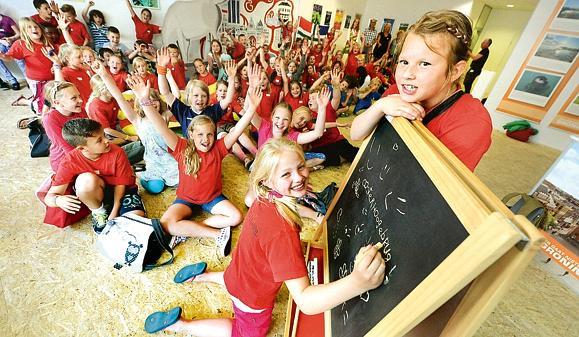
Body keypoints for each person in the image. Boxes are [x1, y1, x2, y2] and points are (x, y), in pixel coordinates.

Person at [143, 138, 385, 336]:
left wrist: (308, 214)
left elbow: (273, 227)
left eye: (300, 167)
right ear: (267, 181)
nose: (299, 177)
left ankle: (201, 276)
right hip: (250, 294)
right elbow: (306, 301)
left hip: (238, 273)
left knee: (234, 282)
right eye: (286, 174)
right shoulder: (281, 231)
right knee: (245, 334)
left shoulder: (264, 195)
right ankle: (181, 325)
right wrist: (358, 282)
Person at [129, 74, 262, 257]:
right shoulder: (181, 147)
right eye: (200, 135)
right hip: (186, 199)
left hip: (212, 198)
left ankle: (189, 230)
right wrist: (144, 101)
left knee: (236, 217)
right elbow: (161, 126)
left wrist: (252, 108)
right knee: (167, 223)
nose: (205, 140)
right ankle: (216, 234)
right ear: (190, 134)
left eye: (209, 135)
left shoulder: (219, 148)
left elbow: (239, 128)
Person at [351, 10, 492, 172]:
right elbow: (356, 134)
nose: (407, 74)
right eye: (404, 61)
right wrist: (379, 106)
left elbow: (432, 186)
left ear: (455, 71)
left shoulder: (471, 122)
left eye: (424, 64)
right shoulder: (396, 92)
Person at [43, 118, 145, 233]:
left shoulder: (117, 152)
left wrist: (114, 213)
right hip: (96, 194)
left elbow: (121, 185)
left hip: (123, 192)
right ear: (82, 148)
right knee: (86, 180)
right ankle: (99, 212)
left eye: (104, 135)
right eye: (99, 140)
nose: (107, 141)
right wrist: (58, 200)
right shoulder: (69, 161)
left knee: (136, 220)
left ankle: (112, 209)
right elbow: (49, 198)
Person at [91, 60, 177, 194]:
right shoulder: (137, 120)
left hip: (168, 160)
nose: (152, 103)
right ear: (141, 103)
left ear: (160, 103)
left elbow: (174, 97)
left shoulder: (164, 116)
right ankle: (143, 176)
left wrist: (168, 75)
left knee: (183, 180)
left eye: (155, 100)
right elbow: (119, 97)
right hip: (153, 162)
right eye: (148, 100)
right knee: (157, 188)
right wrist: (104, 74)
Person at [157, 47, 236, 137]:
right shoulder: (183, 111)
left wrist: (232, 78)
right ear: (189, 96)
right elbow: (165, 92)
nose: (200, 99)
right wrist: (161, 68)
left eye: (203, 96)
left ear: (207, 98)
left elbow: (228, 98)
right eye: (196, 95)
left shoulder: (212, 111)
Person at [0, 17, 58, 114]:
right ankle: (23, 101)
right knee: (41, 105)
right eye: (29, 27)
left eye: (36, 26)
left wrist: (54, 65)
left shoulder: (47, 41)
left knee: (53, 99)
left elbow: (54, 57)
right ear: (24, 32)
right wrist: (2, 56)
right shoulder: (21, 44)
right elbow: (10, 57)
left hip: (52, 78)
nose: (34, 29)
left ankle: (27, 101)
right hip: (36, 81)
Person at [0, 13, 24, 90]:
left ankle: (29, 78)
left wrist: (11, 38)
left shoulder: (7, 19)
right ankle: (12, 81)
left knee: (19, 58)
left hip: (11, 42)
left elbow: (18, 33)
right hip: (0, 44)